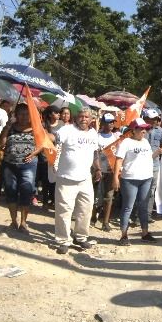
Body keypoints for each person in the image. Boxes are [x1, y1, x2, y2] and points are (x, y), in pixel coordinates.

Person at [54, 108, 100, 254]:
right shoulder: (66, 130)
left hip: (85, 178)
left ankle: (80, 237)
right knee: (64, 211)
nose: (83, 119)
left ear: (91, 120)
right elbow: (54, 138)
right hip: (66, 178)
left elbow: (95, 153)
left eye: (86, 117)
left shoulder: (93, 133)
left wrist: (98, 169)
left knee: (86, 209)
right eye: (81, 116)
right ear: (76, 118)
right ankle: (63, 240)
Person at [0, 103, 42, 233]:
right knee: (10, 191)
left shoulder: (35, 128)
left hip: (29, 165)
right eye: (21, 114)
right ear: (16, 115)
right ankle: (13, 221)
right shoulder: (10, 127)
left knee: (26, 191)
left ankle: (23, 222)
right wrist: (7, 127)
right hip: (9, 164)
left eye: (27, 114)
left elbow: (42, 144)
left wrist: (34, 153)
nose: (24, 116)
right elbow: (1, 144)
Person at [112, 118, 157, 245]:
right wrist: (115, 178)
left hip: (146, 178)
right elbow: (119, 160)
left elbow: (148, 158)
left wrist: (157, 153)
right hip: (130, 179)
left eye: (145, 129)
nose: (144, 131)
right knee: (128, 207)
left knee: (143, 207)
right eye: (141, 128)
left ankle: (145, 233)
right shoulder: (126, 142)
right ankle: (124, 236)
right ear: (133, 130)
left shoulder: (145, 142)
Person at [94, 112, 119, 231]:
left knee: (109, 196)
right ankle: (92, 216)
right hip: (97, 170)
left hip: (111, 171)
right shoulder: (96, 136)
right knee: (95, 195)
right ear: (103, 123)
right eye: (108, 122)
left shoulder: (116, 138)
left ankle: (105, 222)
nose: (111, 124)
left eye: (112, 122)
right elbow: (94, 154)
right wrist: (97, 169)